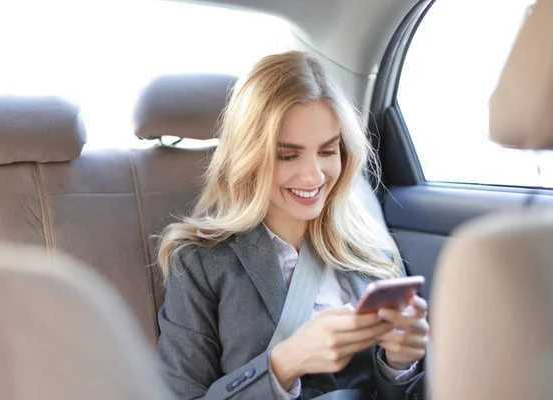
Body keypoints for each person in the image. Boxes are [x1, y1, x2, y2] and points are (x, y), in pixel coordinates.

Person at [155, 50, 429, 400]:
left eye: (328, 151)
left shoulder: (371, 248)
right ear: (249, 156)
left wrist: (400, 363)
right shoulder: (200, 262)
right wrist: (284, 364)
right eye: (288, 155)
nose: (314, 175)